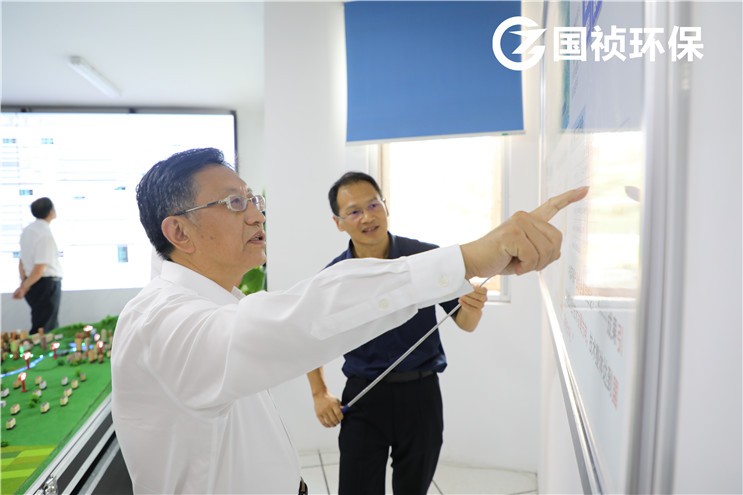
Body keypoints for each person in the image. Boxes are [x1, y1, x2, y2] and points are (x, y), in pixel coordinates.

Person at [110, 147, 587, 494]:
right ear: (179, 232)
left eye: (254, 200)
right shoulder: (159, 320)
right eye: (235, 203)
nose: (257, 214)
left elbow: (292, 325)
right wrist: (471, 256)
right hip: (366, 394)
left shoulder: (223, 302)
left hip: (420, 392)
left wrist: (468, 281)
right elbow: (295, 323)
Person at [306, 172, 488, 494]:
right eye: (354, 211)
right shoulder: (332, 278)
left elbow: (465, 322)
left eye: (373, 205)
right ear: (339, 223)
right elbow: (309, 340)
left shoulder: (426, 258)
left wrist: (473, 306)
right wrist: (319, 393)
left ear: (386, 206)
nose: (367, 217)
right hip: (363, 398)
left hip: (421, 396)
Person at [13, 197, 63, 335]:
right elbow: (39, 268)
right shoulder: (44, 234)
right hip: (45, 285)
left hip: (33, 284)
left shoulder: (27, 231)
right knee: (45, 329)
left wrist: (24, 283)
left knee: (41, 323)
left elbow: (22, 261)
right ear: (51, 211)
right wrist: (24, 287)